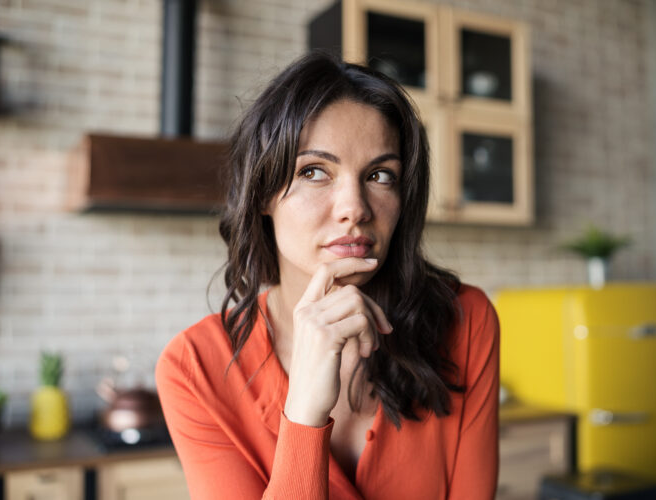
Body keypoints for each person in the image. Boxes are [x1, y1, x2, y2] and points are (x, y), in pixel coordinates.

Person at [155, 52, 500, 500]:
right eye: (314, 171)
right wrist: (303, 415)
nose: (355, 208)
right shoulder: (194, 366)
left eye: (380, 175)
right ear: (262, 192)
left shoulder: (466, 320)